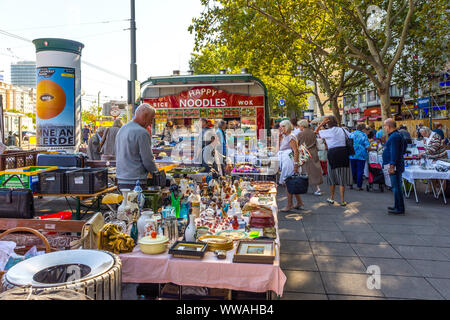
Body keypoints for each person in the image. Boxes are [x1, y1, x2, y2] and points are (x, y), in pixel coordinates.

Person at [115, 103, 158, 190]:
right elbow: (147, 160)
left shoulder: (122, 129)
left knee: (125, 203)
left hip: (121, 179)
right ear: (145, 116)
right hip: (136, 181)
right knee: (137, 203)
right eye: (151, 118)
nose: (151, 122)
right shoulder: (142, 132)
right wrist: (157, 172)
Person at [315, 116, 352, 206]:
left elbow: (316, 132)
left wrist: (321, 123)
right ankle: (342, 200)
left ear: (327, 123)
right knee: (342, 176)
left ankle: (332, 198)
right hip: (343, 153)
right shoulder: (342, 130)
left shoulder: (327, 131)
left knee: (332, 176)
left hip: (333, 153)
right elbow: (351, 136)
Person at [278, 120, 304, 212]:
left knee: (288, 182)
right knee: (292, 183)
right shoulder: (285, 136)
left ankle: (289, 204)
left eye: (283, 126)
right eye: (280, 126)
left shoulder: (291, 137)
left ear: (288, 126)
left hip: (289, 162)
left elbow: (296, 151)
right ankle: (299, 202)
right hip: (286, 161)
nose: (281, 128)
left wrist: (296, 165)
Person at [382, 118, 407, 214]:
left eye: (384, 126)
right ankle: (397, 206)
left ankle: (399, 208)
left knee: (396, 187)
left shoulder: (394, 137)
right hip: (396, 164)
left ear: (388, 126)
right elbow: (403, 148)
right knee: (396, 186)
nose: (384, 128)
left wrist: (392, 166)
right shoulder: (398, 135)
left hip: (394, 165)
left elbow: (394, 152)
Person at [297, 119, 323, 195]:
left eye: (299, 126)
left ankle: (304, 186)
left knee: (305, 170)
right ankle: (318, 188)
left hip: (304, 152)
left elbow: (298, 144)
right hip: (313, 152)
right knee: (315, 171)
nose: (299, 127)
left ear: (302, 126)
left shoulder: (300, 134)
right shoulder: (312, 133)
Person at [349, 124, 370, 190]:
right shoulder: (364, 135)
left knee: (352, 170)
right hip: (361, 155)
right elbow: (367, 146)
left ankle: (351, 184)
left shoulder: (351, 134)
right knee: (360, 170)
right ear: (363, 129)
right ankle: (359, 186)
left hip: (352, 154)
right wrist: (372, 149)